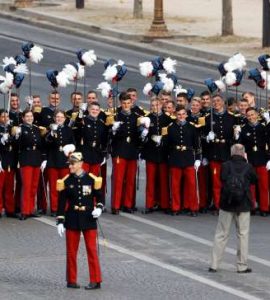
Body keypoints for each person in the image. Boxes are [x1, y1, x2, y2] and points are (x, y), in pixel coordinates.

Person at [56, 152, 104, 289]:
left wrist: (99, 208)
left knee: (92, 250)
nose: (70, 166)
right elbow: (61, 204)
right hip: (72, 218)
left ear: (80, 164)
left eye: (72, 164)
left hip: (88, 217)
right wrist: (60, 221)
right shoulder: (66, 181)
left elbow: (100, 197)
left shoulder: (91, 179)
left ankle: (96, 280)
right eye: (69, 164)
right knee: (71, 251)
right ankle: (71, 280)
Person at [209, 144, 257, 273]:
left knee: (221, 234)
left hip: (227, 204)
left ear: (232, 153)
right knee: (242, 235)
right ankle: (242, 266)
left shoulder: (225, 165)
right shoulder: (248, 166)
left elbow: (222, 178)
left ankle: (214, 264)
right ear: (243, 153)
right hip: (243, 205)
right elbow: (254, 180)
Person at [167, 106, 201, 216]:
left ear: (186, 115)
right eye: (179, 114)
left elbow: (197, 145)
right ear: (175, 115)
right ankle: (175, 207)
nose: (181, 116)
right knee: (175, 185)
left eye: (183, 114)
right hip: (175, 158)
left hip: (188, 158)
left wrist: (197, 159)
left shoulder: (191, 127)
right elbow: (167, 145)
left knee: (192, 185)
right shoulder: (171, 127)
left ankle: (193, 208)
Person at [45, 110, 75, 216]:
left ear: (65, 119)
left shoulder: (68, 129)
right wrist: (52, 133)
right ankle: (54, 208)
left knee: (65, 187)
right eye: (57, 117)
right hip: (53, 161)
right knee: (54, 187)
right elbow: (46, 142)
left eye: (61, 117)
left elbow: (73, 144)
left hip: (65, 161)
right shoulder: (50, 129)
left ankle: (65, 208)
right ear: (54, 118)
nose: (59, 119)